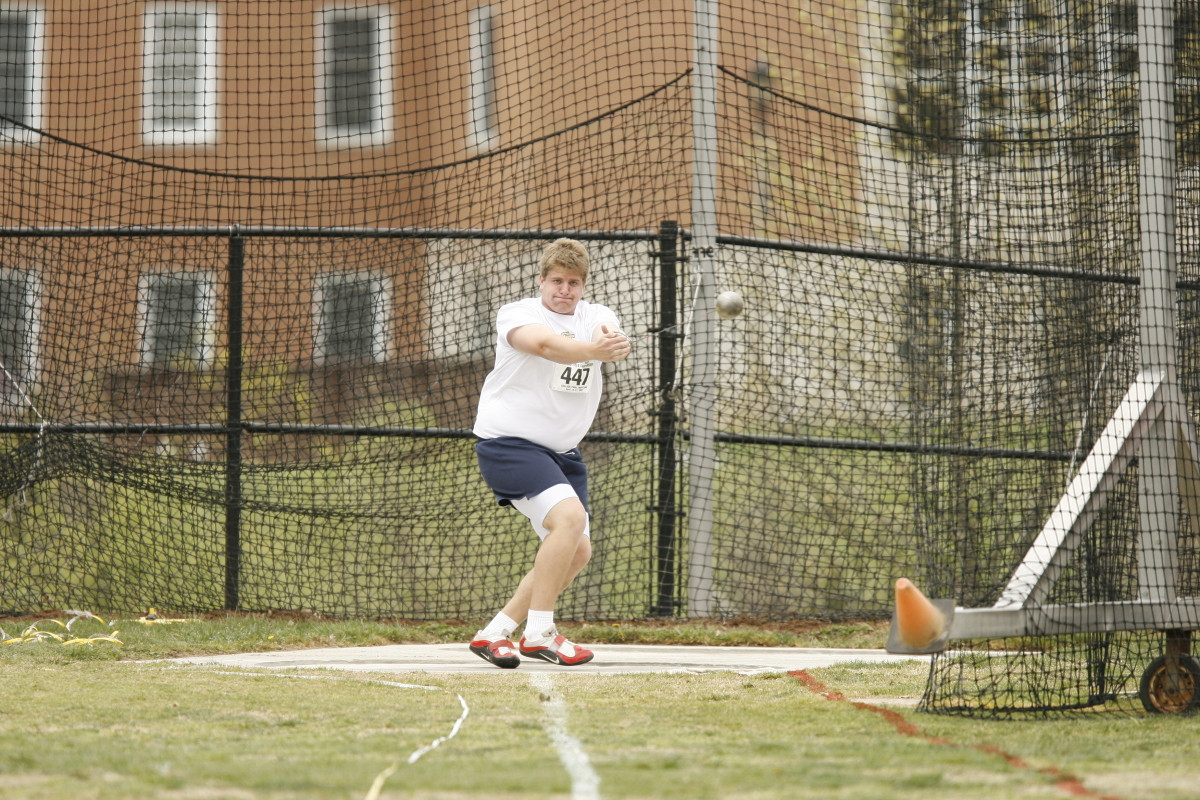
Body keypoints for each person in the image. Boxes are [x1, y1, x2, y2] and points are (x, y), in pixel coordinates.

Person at [470, 238, 631, 668]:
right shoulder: (518, 313)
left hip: (562, 451)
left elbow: (606, 336)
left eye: (573, 283)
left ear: (583, 286)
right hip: (509, 443)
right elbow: (543, 346)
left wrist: (611, 344)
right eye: (557, 281)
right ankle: (540, 632)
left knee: (577, 549)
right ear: (542, 281)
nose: (564, 290)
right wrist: (593, 352)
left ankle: (495, 633)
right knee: (571, 519)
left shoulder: (596, 315)